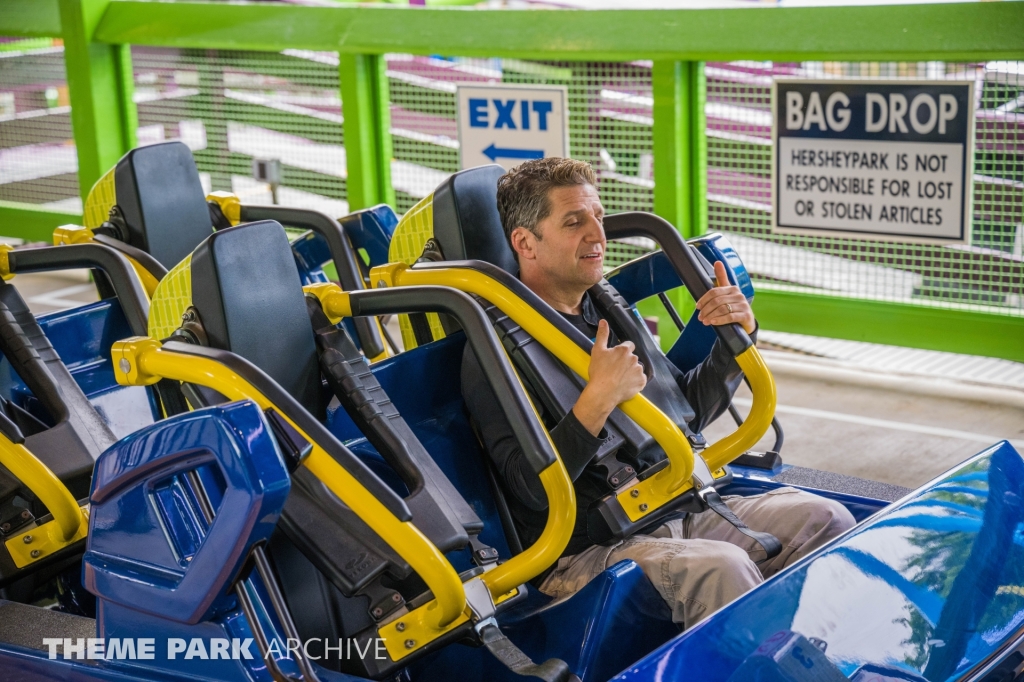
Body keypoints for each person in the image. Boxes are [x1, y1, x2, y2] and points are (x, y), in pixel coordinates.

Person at [460, 157, 855, 628]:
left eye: (598, 217)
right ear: (526, 242)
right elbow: (528, 490)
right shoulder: (492, 352)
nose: (597, 235)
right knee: (721, 569)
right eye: (574, 221)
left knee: (826, 518)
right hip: (589, 549)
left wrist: (734, 340)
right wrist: (595, 403)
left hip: (679, 502)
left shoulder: (604, 311)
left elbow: (683, 410)